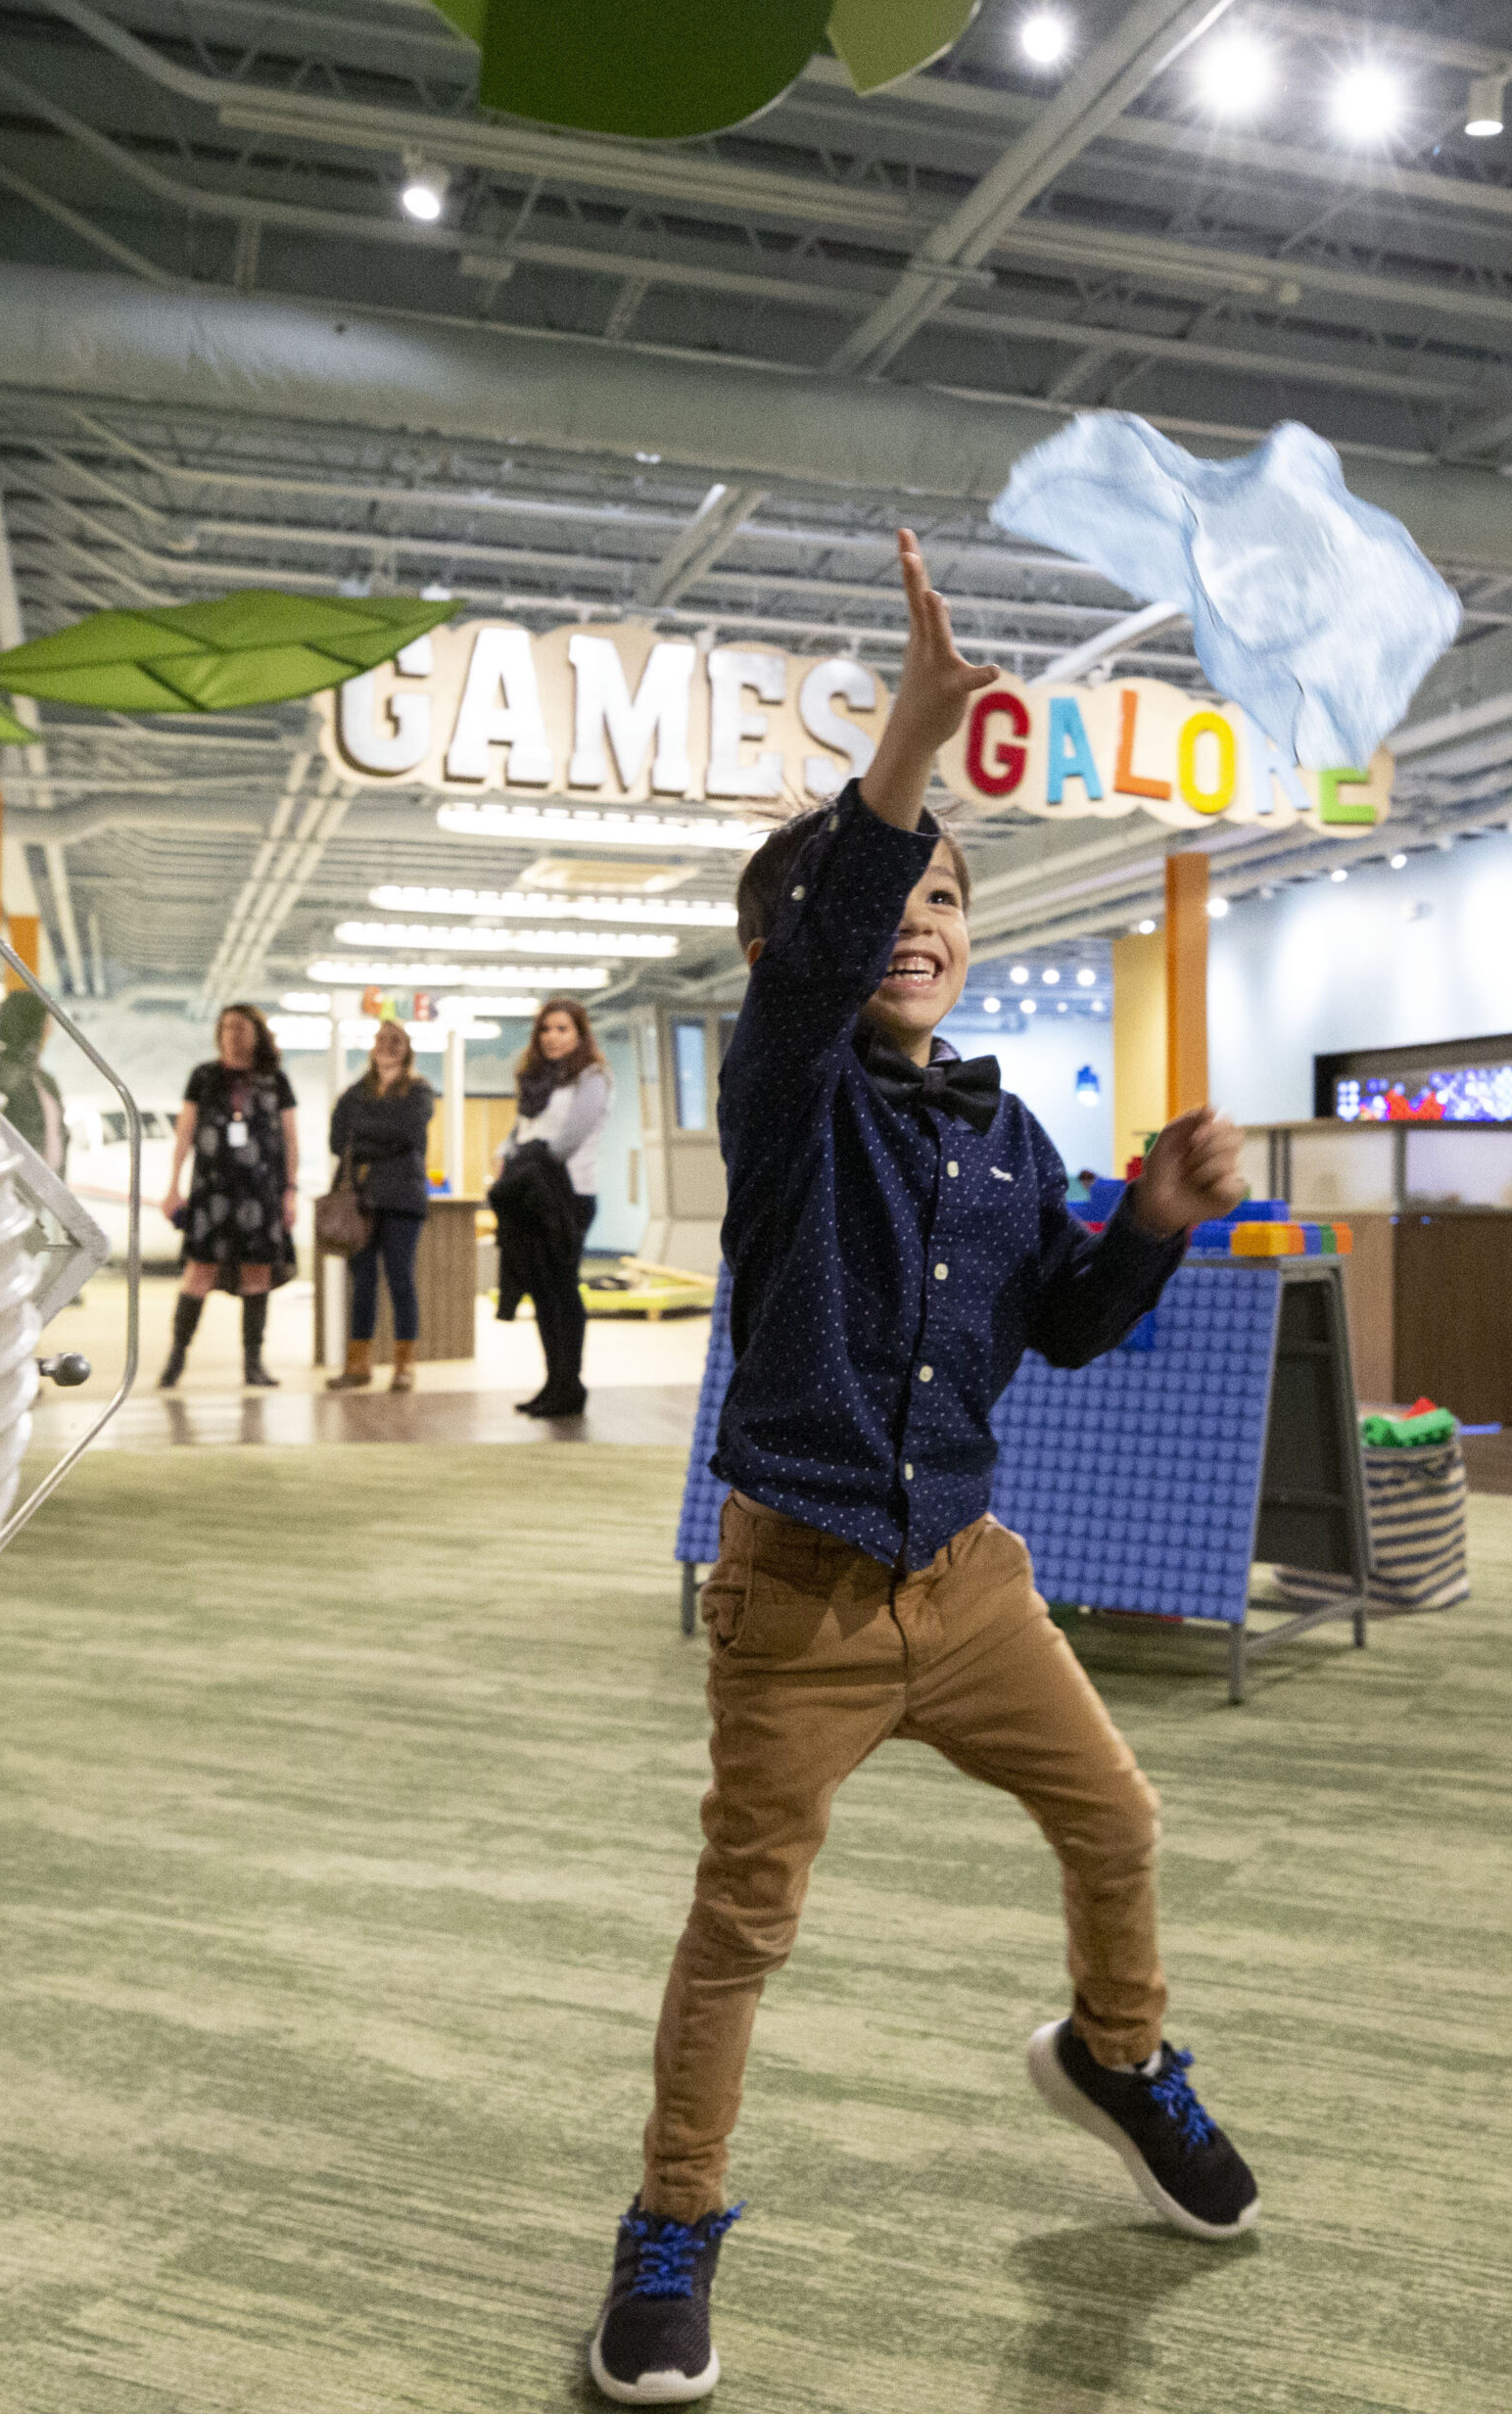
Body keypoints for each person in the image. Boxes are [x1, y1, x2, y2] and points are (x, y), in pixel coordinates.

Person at [586, 534, 1256, 2406]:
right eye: (886, 895)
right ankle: (670, 2222)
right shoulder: (784, 1099)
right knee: (743, 1926)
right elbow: (823, 947)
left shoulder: (1005, 1130)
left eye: (949, 893)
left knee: (1119, 1820)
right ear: (788, 950)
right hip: (794, 1597)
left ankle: (1119, 2057)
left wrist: (1152, 1223)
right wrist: (911, 746)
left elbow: (1057, 1328)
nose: (920, 917)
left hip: (966, 1587)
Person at [161, 1004, 299, 1389]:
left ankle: (253, 1363)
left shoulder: (275, 1081)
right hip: (211, 1191)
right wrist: (173, 1185)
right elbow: (184, 1134)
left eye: (242, 1027)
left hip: (261, 1191)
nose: (234, 1035)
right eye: (227, 1028)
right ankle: (176, 1358)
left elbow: (290, 1139)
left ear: (256, 1033)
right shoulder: (203, 1077)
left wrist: (290, 1191)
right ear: (218, 1034)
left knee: (258, 1274)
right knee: (198, 1271)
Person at [501, 999, 611, 1420]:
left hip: (570, 1196)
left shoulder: (592, 1078)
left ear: (580, 1034)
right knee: (543, 1294)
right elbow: (521, 1130)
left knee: (562, 1290)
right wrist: (506, 1155)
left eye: (563, 1028)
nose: (552, 1036)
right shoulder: (535, 1080)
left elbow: (567, 1139)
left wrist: (526, 1159)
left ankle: (571, 1386)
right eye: (546, 1029)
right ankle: (552, 1384)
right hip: (532, 1196)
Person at [326, 1019, 436, 1393]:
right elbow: (338, 1139)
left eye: (396, 1041)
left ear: (407, 1048)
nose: (388, 1046)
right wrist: (385, 1138)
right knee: (363, 1283)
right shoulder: (353, 1094)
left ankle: (406, 1366)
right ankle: (358, 1365)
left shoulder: (419, 1091)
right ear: (372, 1047)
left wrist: (368, 1136)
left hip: (403, 1200)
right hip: (360, 1199)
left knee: (400, 1278)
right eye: (382, 1040)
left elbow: (410, 1134)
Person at [0, 988, 68, 1174]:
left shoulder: (43, 1080)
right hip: (13, 1187)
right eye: (46, 1025)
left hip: (45, 1191)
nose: (50, 1033)